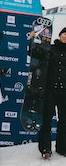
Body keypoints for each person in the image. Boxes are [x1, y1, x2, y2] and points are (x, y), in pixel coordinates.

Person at [38, 27, 66, 158]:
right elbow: (35, 53)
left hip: (64, 92)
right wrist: (33, 38)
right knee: (47, 120)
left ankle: (62, 148)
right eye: (64, 34)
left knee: (64, 121)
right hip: (50, 91)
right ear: (60, 35)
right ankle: (45, 149)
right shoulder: (50, 48)